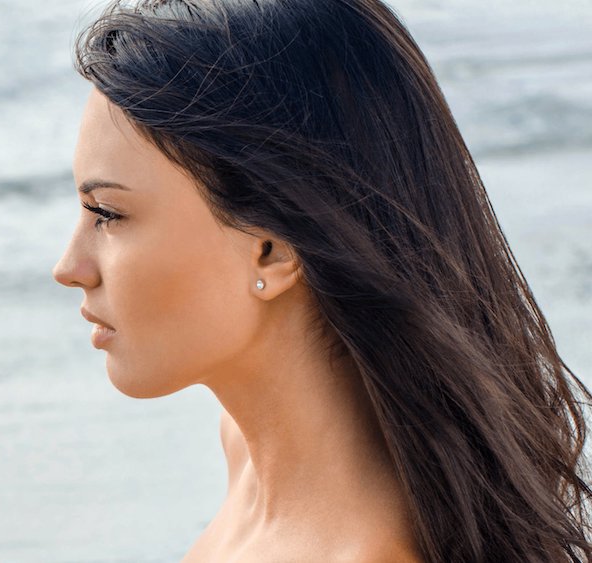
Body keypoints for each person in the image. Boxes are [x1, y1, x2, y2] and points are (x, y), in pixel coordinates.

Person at [50, 0, 592, 561]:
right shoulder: (253, 452)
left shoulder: (365, 548)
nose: (69, 267)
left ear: (271, 251)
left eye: (108, 214)